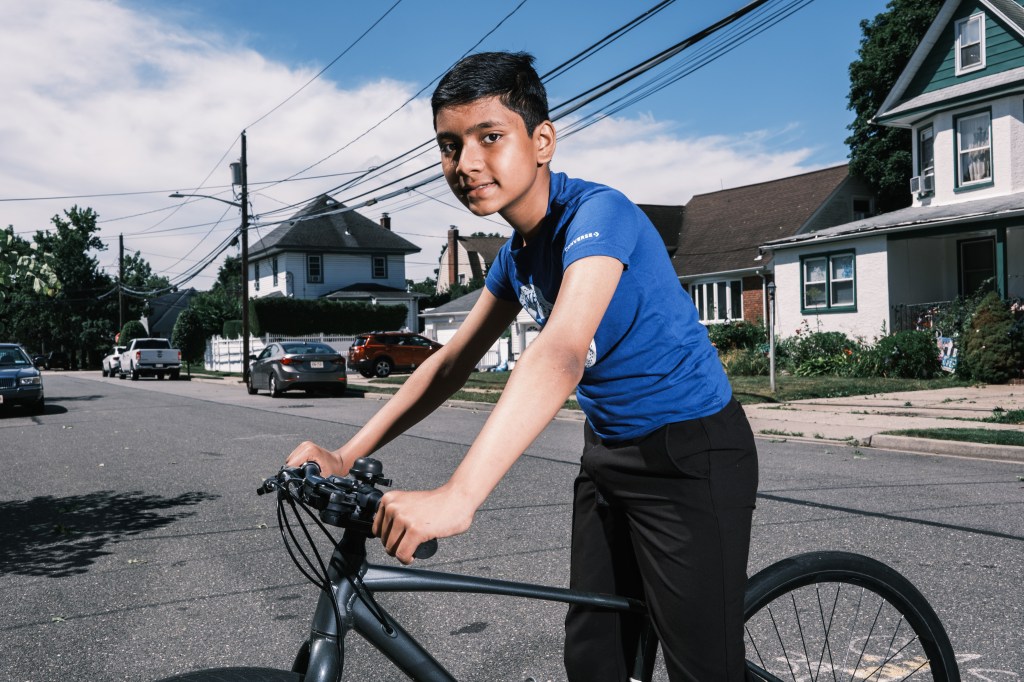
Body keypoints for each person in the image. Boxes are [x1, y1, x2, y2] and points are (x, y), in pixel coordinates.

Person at [286, 51, 758, 682]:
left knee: (701, 668)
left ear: (542, 141)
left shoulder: (600, 214)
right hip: (610, 454)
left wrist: (461, 493)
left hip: (693, 453)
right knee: (594, 661)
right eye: (450, 146)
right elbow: (450, 362)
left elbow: (560, 352)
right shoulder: (515, 256)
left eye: (490, 137)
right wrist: (347, 454)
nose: (468, 163)